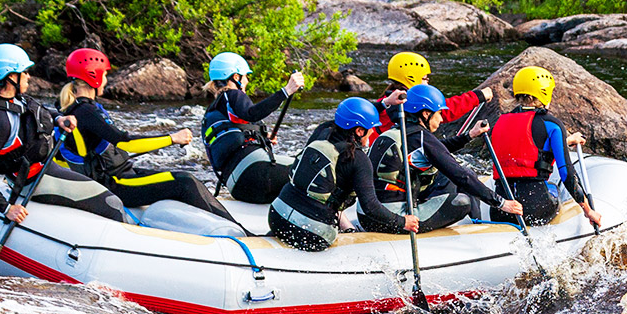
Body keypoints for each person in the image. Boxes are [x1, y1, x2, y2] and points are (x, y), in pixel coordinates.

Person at [55, 48, 241, 225]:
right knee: (186, 182)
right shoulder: (86, 112)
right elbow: (126, 143)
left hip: (123, 175)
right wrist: (172, 138)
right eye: (104, 75)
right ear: (93, 77)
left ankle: (232, 225)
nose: (106, 80)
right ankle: (238, 233)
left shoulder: (78, 109)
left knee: (188, 179)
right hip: (115, 184)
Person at [0, 44, 125, 224]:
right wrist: (6, 208)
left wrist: (59, 118)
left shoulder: (10, 98)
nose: (28, 76)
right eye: (24, 71)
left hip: (41, 169)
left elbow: (37, 111)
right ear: (11, 76)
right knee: (113, 203)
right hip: (34, 180)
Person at [360, 84, 524, 234]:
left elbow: (437, 150)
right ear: (426, 114)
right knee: (462, 200)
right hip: (394, 220)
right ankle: (477, 229)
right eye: (438, 113)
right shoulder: (421, 138)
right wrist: (501, 203)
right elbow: (461, 176)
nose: (441, 119)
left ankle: (474, 223)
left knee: (445, 177)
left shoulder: (396, 132)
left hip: (368, 215)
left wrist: (469, 136)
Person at [268, 98, 419, 251]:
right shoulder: (359, 159)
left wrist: (385, 103)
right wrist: (402, 222)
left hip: (276, 216)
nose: (373, 131)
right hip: (311, 232)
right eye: (371, 128)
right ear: (359, 131)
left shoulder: (322, 131)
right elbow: (370, 207)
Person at [487, 66, 602, 228]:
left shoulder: (499, 122)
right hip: (535, 208)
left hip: (500, 210)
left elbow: (523, 146)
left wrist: (567, 140)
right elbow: (567, 173)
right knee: (553, 187)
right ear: (544, 93)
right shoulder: (551, 124)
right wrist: (588, 210)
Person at [200, 52, 306, 204]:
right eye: (245, 76)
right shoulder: (232, 94)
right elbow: (253, 113)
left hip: (237, 185)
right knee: (312, 171)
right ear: (236, 77)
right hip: (254, 172)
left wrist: (262, 137)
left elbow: (237, 130)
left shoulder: (214, 110)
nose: (247, 81)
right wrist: (287, 91)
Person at [374, 51, 492, 135]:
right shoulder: (405, 101)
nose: (428, 83)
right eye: (425, 79)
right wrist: (478, 96)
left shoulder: (387, 98)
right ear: (411, 78)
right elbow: (446, 110)